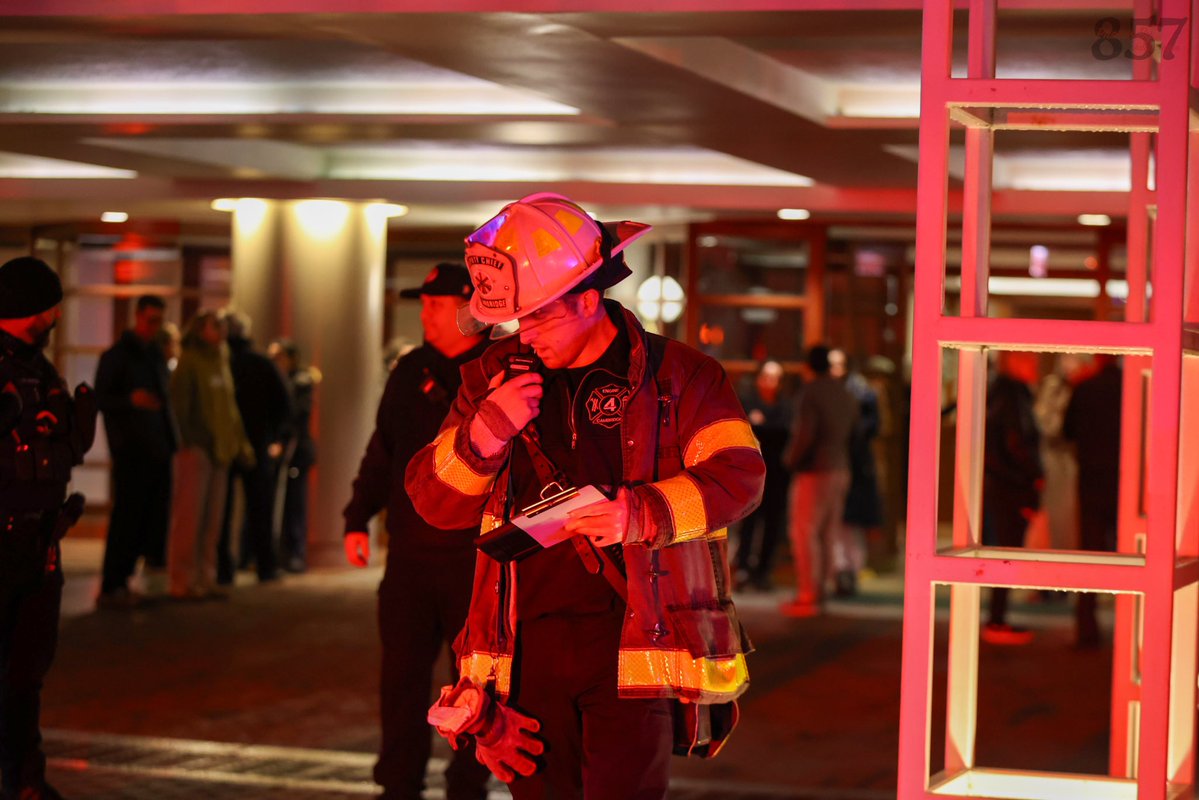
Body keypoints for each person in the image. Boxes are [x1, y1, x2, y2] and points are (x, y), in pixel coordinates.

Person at [406, 193, 765, 799]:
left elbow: (740, 475)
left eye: (540, 316)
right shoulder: (492, 378)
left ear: (588, 300)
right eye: (519, 318)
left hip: (636, 643)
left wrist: (638, 513)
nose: (525, 333)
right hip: (527, 647)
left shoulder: (681, 377)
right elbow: (431, 500)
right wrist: (486, 430)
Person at [343, 263, 492, 800]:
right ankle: (398, 783)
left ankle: (468, 783)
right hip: (408, 558)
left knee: (476, 684)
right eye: (423, 303)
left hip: (474, 561)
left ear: (469, 308)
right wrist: (357, 517)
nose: (424, 314)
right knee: (401, 679)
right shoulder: (410, 369)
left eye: (435, 304)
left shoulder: (498, 371)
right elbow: (383, 449)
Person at [0, 256, 96, 799]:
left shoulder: (40, 369)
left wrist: (71, 440)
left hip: (40, 541)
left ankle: (25, 778)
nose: (59, 315)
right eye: (54, 305)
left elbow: (58, 449)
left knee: (26, 671)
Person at [94, 295, 178, 609]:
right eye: (152, 320)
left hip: (157, 449)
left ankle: (130, 578)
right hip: (131, 449)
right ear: (139, 317)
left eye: (160, 321)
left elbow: (165, 400)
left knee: (150, 518)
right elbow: (101, 398)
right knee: (127, 517)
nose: (156, 327)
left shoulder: (154, 355)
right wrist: (131, 400)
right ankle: (114, 581)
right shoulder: (118, 356)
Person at [167, 310, 252, 601]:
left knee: (213, 521)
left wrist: (238, 443)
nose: (222, 331)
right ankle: (182, 580)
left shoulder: (221, 361)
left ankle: (205, 576)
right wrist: (191, 441)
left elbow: (229, 409)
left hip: (220, 452)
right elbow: (180, 407)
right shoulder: (190, 362)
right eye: (216, 325)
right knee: (190, 519)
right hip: (197, 451)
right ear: (201, 329)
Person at [782, 344, 857, 617]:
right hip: (841, 466)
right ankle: (821, 589)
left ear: (808, 366)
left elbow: (805, 433)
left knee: (805, 532)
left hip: (815, 469)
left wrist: (789, 460)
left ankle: (808, 594)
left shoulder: (811, 393)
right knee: (827, 532)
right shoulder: (845, 393)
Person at [218, 310, 291, 584]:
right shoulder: (260, 363)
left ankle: (224, 569)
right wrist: (275, 436)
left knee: (221, 511)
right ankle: (265, 566)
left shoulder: (221, 362)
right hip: (258, 441)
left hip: (226, 444)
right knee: (260, 506)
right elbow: (284, 404)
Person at [981, 351, 1043, 645]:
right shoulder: (1012, 395)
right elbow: (1016, 441)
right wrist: (1033, 476)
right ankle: (996, 619)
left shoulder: (1001, 393)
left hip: (1004, 483)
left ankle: (997, 617)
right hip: (1011, 486)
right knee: (1007, 551)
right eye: (1029, 360)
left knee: (1005, 550)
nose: (1035, 365)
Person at [1062, 354, 1121, 648]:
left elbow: (1067, 431)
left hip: (1091, 479)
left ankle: (1088, 631)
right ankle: (1132, 629)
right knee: (1132, 556)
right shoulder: (1133, 386)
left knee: (1089, 554)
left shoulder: (1085, 388)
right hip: (1129, 482)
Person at [733, 360, 791, 591]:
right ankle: (744, 568)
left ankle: (763, 571)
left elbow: (785, 431)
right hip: (752, 471)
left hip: (776, 472)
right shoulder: (748, 402)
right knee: (749, 520)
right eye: (766, 376)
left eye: (775, 377)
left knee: (772, 522)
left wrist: (765, 427)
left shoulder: (785, 406)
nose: (770, 382)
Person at [831, 349, 883, 598]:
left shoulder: (857, 392)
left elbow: (871, 425)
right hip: (844, 461)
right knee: (843, 521)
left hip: (851, 461)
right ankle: (844, 571)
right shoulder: (853, 391)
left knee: (847, 521)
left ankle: (848, 570)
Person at [268, 339, 319, 574]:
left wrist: (282, 440)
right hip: (281, 450)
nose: (274, 362)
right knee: (278, 503)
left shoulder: (299, 383)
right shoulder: (277, 381)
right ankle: (278, 553)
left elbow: (296, 415)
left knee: (295, 504)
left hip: (295, 452)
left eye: (278, 357)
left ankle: (295, 554)